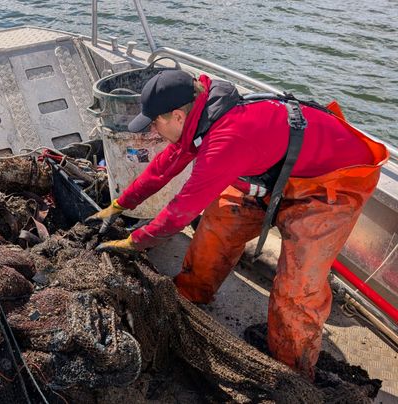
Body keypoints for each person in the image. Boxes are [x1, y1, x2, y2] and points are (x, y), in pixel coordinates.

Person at [88, 69, 388, 379]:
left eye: (154, 122)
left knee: (297, 289)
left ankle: (291, 373)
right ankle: (190, 295)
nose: (151, 129)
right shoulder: (200, 113)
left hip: (333, 183)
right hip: (273, 173)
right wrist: (120, 204)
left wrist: (133, 241)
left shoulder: (226, 139)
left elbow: (180, 213)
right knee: (219, 224)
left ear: (177, 116)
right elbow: (165, 165)